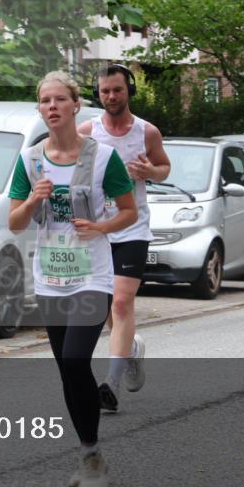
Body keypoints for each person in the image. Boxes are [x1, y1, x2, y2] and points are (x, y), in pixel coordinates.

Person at [9, 71, 137, 487]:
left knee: (76, 360)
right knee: (67, 369)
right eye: (44, 100)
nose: (52, 107)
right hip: (50, 276)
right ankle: (90, 453)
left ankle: (92, 457)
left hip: (92, 275)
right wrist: (32, 200)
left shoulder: (102, 158)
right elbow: (14, 222)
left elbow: (129, 212)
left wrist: (100, 227)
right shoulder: (29, 160)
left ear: (76, 105)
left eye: (60, 99)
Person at [78, 64, 170, 413]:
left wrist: (150, 172)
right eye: (105, 92)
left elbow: (164, 168)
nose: (111, 97)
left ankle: (111, 384)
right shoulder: (88, 132)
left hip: (132, 226)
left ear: (128, 90)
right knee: (103, 306)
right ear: (98, 94)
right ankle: (131, 348)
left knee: (120, 303)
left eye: (117, 90)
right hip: (97, 229)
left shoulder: (148, 132)